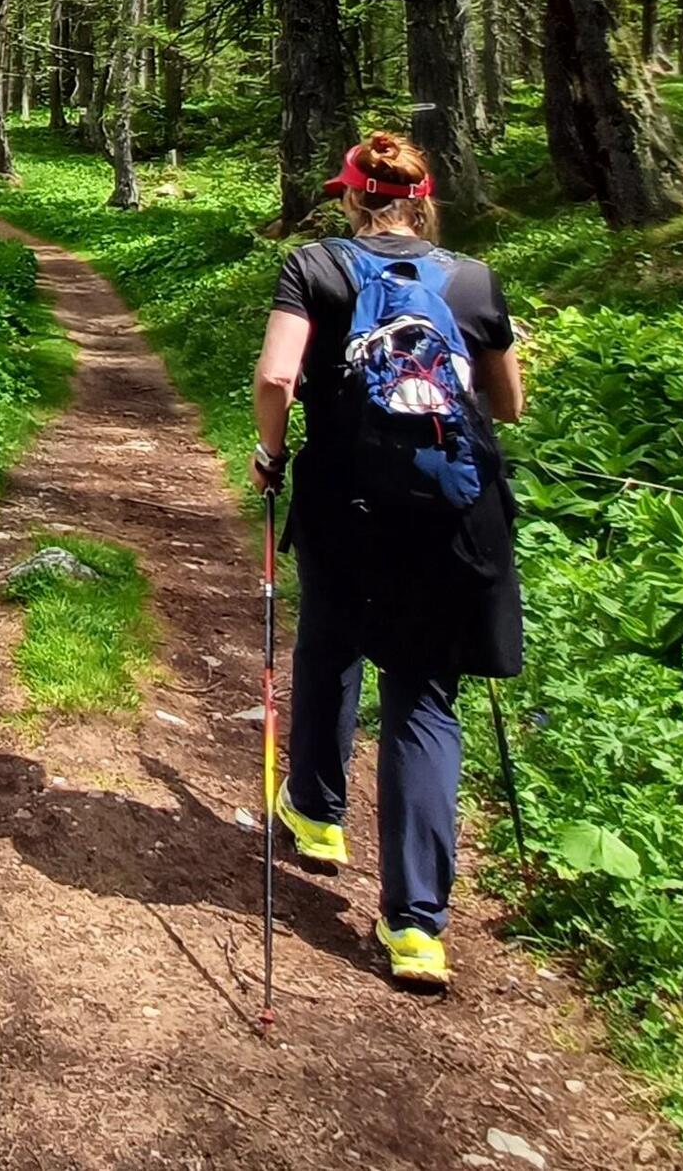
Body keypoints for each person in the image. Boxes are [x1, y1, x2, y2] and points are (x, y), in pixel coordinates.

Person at [249, 131, 524, 991]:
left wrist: (271, 456)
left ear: (351, 197)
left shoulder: (315, 268)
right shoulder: (472, 279)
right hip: (452, 514)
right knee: (424, 696)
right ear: (420, 198)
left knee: (330, 644)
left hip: (344, 503)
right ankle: (416, 928)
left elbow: (274, 379)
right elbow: (507, 403)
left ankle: (319, 815)